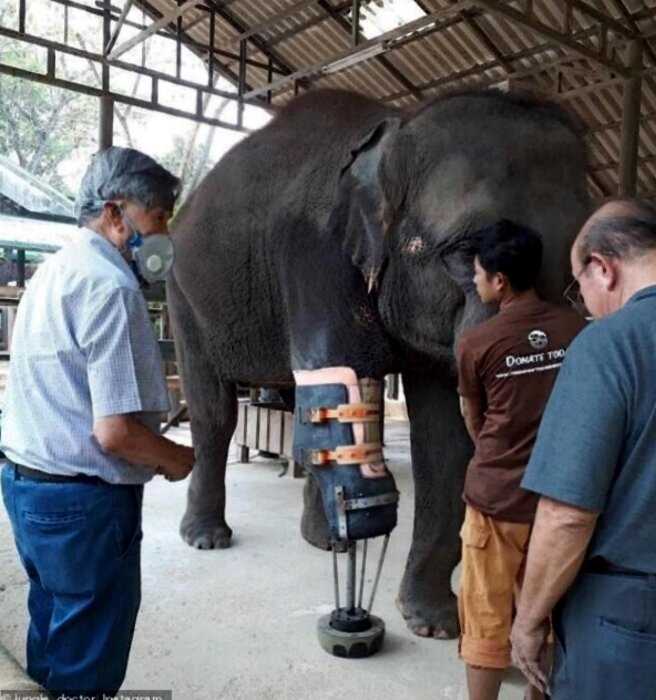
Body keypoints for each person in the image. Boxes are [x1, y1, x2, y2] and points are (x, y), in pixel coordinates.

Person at [0, 147, 195, 698]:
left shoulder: (54, 270)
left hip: (26, 487)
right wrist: (175, 457)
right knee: (88, 661)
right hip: (81, 507)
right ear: (116, 214)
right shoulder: (110, 286)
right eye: (156, 218)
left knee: (55, 628)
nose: (162, 233)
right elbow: (115, 433)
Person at [511, 198, 656, 699]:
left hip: (629, 623)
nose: (585, 303)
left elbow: (567, 514)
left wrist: (528, 622)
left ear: (603, 268)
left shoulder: (609, 345)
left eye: (580, 287)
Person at [456, 219, 586, 700]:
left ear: (499, 281)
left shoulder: (476, 343)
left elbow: (474, 419)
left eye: (476, 273)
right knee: (548, 615)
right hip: (561, 500)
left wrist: (501, 451)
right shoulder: (576, 329)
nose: (474, 281)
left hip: (495, 501)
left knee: (486, 618)